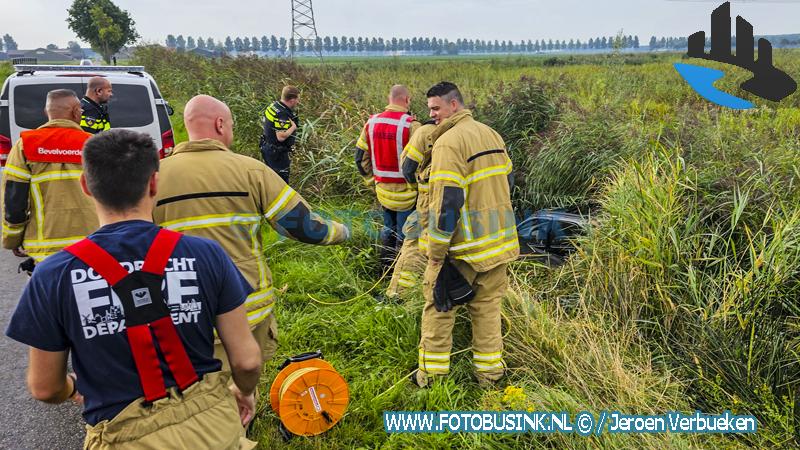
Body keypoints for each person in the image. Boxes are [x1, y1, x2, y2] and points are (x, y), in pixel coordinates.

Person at [5, 129, 262, 449]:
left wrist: (71, 389)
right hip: (212, 427)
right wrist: (244, 391)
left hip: (124, 437)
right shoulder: (206, 254)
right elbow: (247, 360)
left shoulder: (52, 275)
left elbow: (44, 387)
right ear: (154, 183)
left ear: (85, 185)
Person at [154, 95, 350, 366]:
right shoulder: (251, 172)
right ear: (220, 124)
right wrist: (342, 232)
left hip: (181, 315)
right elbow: (302, 226)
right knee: (243, 393)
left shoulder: (152, 178)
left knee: (197, 396)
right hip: (245, 312)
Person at [415, 82, 519, 387]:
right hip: (497, 242)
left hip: (463, 249)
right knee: (488, 311)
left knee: (439, 307)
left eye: (436, 108)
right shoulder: (491, 133)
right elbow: (508, 181)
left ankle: (431, 380)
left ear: (454, 106)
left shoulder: (448, 143)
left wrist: (436, 252)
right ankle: (490, 378)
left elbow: (447, 201)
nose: (431, 114)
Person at [1, 89, 97, 270]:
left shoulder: (25, 145)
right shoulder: (93, 145)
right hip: (91, 246)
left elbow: (14, 198)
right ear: (76, 111)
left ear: (47, 112)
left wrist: (12, 239)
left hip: (46, 251)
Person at [355, 85, 420, 275]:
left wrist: (371, 183)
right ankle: (399, 278)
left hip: (382, 191)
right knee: (405, 235)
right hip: (407, 195)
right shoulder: (412, 125)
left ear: (389, 98)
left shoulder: (371, 122)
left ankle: (383, 271)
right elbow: (420, 163)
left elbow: (359, 159)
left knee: (387, 230)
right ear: (407, 100)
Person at [260, 85, 300, 183]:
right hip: (276, 154)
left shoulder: (274, 106)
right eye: (298, 99)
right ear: (292, 100)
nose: (298, 102)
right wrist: (293, 127)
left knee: (271, 178)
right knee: (281, 182)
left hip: (267, 147)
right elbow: (281, 137)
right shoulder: (282, 113)